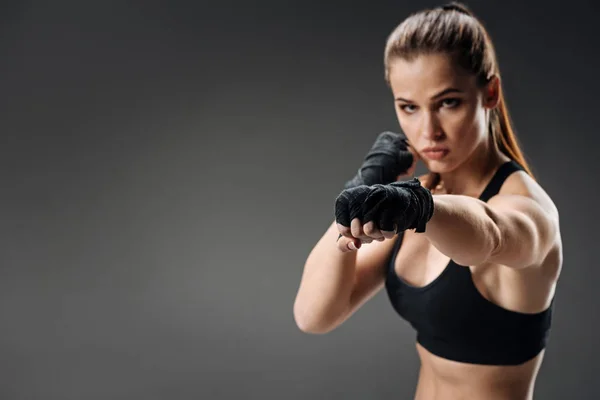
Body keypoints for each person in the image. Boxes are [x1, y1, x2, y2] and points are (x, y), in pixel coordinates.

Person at [293, 2, 562, 399]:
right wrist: (359, 190)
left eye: (448, 102)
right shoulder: (410, 198)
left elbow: (486, 233)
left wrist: (422, 208)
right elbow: (314, 315)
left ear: (489, 93)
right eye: (409, 107)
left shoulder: (528, 209)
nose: (428, 130)